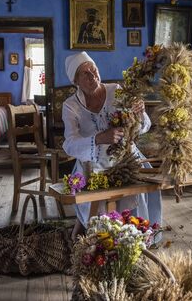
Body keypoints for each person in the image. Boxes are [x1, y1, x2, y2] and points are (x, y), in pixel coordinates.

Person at [62, 51, 162, 240]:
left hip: (125, 158)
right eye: (85, 73)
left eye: (94, 70)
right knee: (94, 201)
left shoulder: (116, 90)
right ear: (76, 81)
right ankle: (101, 239)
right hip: (93, 162)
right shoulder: (70, 106)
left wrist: (139, 113)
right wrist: (98, 139)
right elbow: (69, 144)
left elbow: (145, 126)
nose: (93, 76)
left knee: (137, 191)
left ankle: (136, 238)